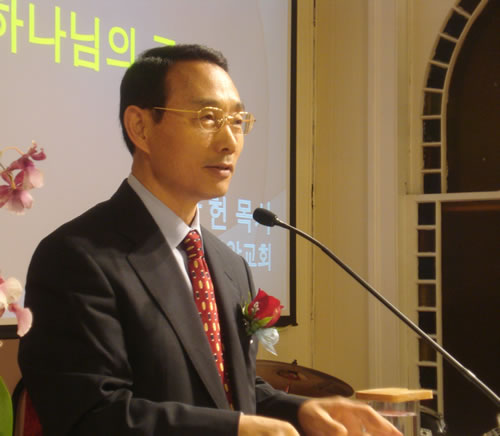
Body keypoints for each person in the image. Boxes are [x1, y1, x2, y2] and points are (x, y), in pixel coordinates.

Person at [19, 44, 401, 436]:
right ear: (141, 127)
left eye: (237, 121)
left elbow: (232, 394)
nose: (229, 141)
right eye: (207, 117)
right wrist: (232, 430)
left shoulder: (229, 265)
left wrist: (302, 410)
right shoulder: (76, 258)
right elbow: (90, 416)